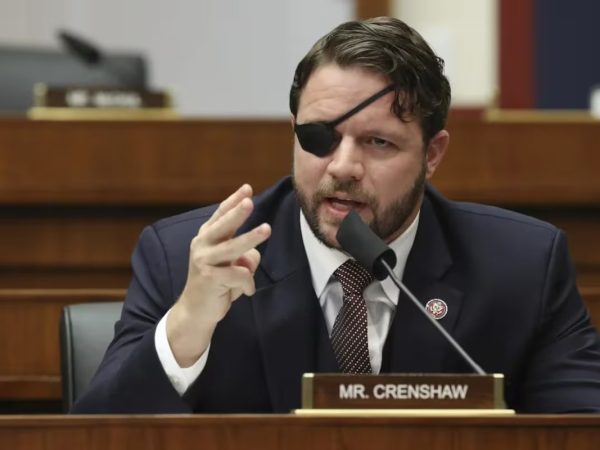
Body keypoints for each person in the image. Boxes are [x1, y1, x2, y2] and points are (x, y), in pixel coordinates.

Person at [72, 16, 600, 414]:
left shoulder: (521, 268)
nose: (343, 167)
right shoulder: (187, 259)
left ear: (432, 154)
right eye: (319, 136)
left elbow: (581, 429)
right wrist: (187, 327)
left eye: (378, 142)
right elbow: (94, 437)